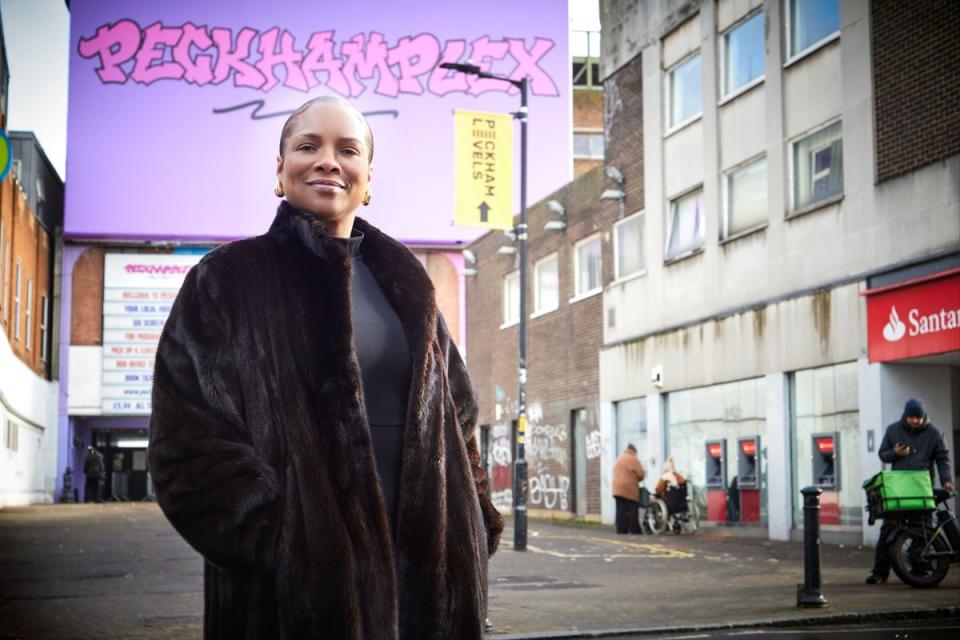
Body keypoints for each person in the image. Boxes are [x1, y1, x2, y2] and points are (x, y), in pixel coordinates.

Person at [148, 96, 503, 639]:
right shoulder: (226, 280)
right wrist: (288, 545)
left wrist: (473, 520)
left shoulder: (407, 282)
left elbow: (458, 412)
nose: (327, 161)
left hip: (428, 588)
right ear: (280, 168)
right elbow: (187, 445)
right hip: (291, 603)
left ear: (368, 176)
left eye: (348, 149)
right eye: (307, 145)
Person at [867, 397, 954, 584]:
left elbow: (942, 459)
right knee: (888, 529)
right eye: (911, 417)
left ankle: (920, 570)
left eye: (918, 417)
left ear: (924, 417)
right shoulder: (893, 430)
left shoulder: (935, 433)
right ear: (905, 416)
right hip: (897, 490)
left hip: (922, 489)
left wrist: (947, 480)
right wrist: (895, 454)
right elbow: (883, 454)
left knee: (922, 528)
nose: (914, 420)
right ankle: (879, 572)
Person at [612, 444, 645, 534]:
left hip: (617, 488)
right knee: (633, 509)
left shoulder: (620, 458)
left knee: (620, 510)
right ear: (634, 451)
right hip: (629, 489)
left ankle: (621, 530)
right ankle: (635, 530)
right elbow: (640, 474)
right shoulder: (633, 459)